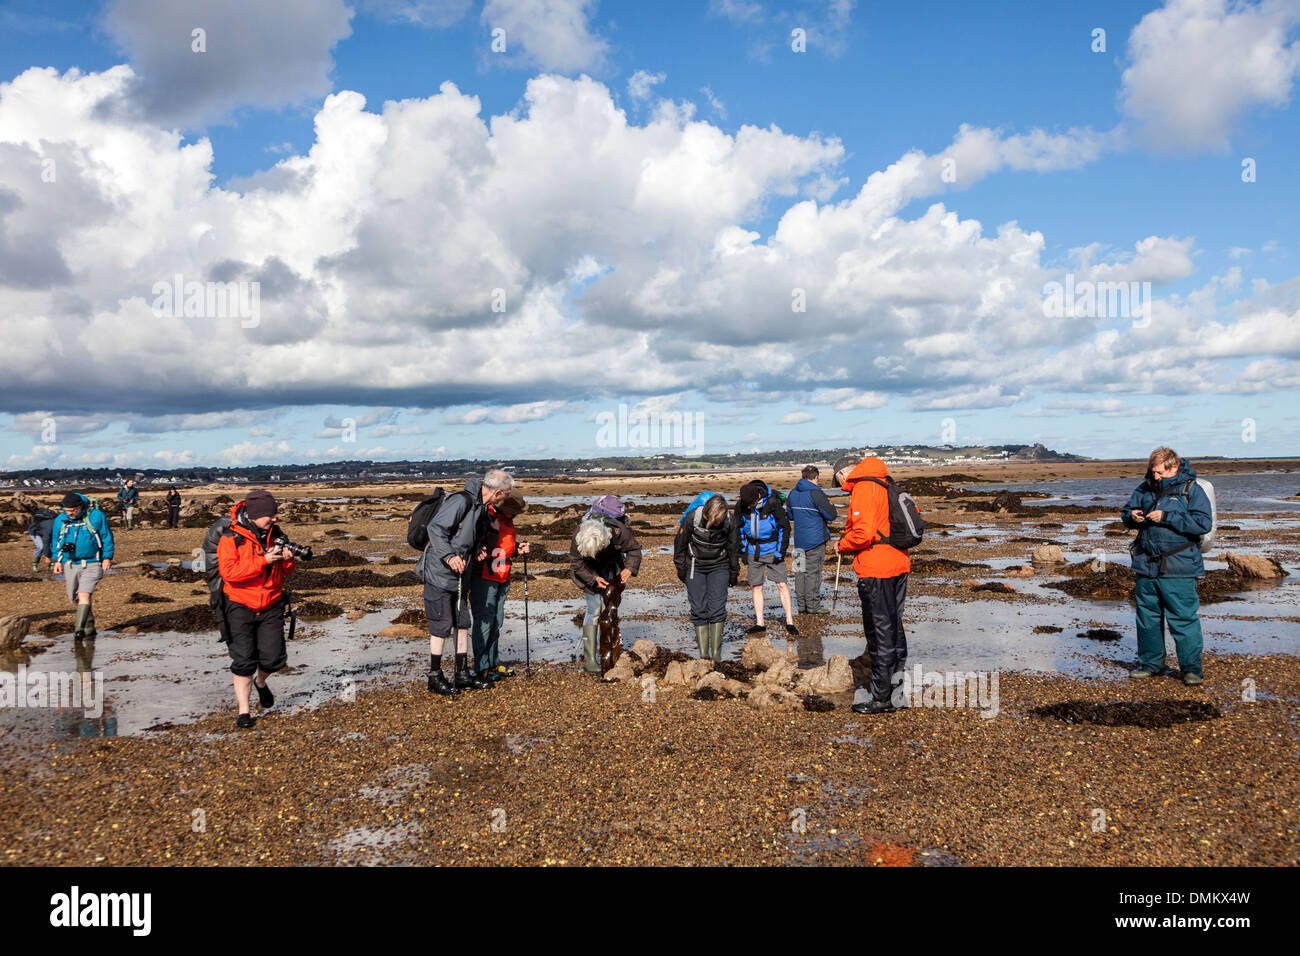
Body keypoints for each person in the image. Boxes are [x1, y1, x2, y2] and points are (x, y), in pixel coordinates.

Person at [1121, 447, 1212, 686]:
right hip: (1145, 565)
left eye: (1160, 473)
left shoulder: (1192, 490)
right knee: (1147, 619)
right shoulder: (1144, 488)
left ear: (1174, 467)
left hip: (1179, 566)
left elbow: (1203, 523)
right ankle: (1151, 664)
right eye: (1153, 473)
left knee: (1182, 619)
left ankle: (1192, 670)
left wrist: (1167, 517)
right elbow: (1125, 513)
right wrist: (1133, 517)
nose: (1155, 477)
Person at [417, 469, 513, 696]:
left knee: (462, 622)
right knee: (441, 624)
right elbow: (435, 529)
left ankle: (461, 673)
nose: (506, 499)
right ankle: (435, 676)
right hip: (439, 573)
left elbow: (467, 536)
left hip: (461, 574)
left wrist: (477, 549)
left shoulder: (479, 506)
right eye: (506, 495)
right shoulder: (462, 500)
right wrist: (449, 557)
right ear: (498, 492)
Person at [833, 455, 911, 716]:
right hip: (898, 562)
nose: (841, 483)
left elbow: (863, 534)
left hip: (877, 568)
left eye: (838, 479)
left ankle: (881, 698)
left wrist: (841, 545)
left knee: (880, 634)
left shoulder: (864, 487)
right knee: (895, 629)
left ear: (844, 472)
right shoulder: (886, 483)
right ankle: (897, 693)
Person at [216, 490, 297, 728]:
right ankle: (244, 711)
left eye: (275, 514)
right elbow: (229, 573)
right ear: (255, 515)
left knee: (274, 660)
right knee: (243, 661)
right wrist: (263, 560)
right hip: (239, 604)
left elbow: (287, 571)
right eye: (270, 515)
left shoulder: (277, 535)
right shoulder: (230, 538)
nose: (275, 518)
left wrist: (288, 559)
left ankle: (261, 683)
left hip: (271, 603)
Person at [570, 495, 642, 674]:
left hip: (611, 566)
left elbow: (634, 549)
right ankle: (589, 659)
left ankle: (611, 649)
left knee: (610, 608)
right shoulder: (578, 534)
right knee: (594, 609)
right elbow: (576, 564)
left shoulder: (618, 531)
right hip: (587, 571)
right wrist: (593, 578)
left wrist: (629, 569)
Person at [470, 490, 529, 682]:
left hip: (502, 577)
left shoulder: (506, 520)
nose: (516, 514)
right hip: (484, 577)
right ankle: (481, 667)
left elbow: (504, 548)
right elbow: (481, 547)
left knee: (496, 621)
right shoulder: (486, 516)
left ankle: (493, 662)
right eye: (515, 511)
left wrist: (518, 549)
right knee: (485, 621)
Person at [673, 493, 740, 662]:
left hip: (720, 566)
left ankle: (716, 656)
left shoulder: (730, 521)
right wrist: (682, 571)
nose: (718, 522)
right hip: (695, 567)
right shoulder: (691, 519)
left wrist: (733, 573)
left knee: (717, 609)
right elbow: (679, 547)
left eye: (721, 519)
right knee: (699, 609)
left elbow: (733, 549)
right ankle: (704, 655)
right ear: (708, 514)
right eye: (716, 519)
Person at [735, 479, 797, 643]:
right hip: (753, 550)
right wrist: (742, 551)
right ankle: (760, 622)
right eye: (746, 505)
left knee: (782, 584)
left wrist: (780, 551)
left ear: (757, 497)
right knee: (756, 586)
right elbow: (738, 528)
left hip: (772, 549)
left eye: (751, 504)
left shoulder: (772, 502)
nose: (749, 507)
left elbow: (785, 527)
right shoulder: (741, 505)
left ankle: (789, 621)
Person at [50, 492, 115, 640]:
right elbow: (56, 542)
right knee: (75, 598)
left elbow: (107, 537)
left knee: (84, 594)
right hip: (70, 563)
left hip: (93, 562)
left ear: (80, 507)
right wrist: (57, 561)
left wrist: (107, 557)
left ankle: (78, 630)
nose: (70, 513)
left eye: (72, 510)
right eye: (67, 511)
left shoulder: (96, 516)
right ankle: (89, 627)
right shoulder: (61, 520)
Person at [786, 465, 838, 615]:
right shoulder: (816, 493)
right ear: (815, 478)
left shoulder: (793, 493)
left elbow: (790, 515)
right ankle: (813, 606)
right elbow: (831, 514)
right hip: (815, 540)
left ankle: (802, 606)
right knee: (812, 573)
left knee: (800, 572)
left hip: (799, 540)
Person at [26, 505, 57, 573]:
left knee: (52, 546)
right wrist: (47, 556)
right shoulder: (50, 526)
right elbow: (46, 541)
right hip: (35, 531)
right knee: (41, 547)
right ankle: (35, 564)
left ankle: (50, 565)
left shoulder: (57, 524)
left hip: (44, 531)